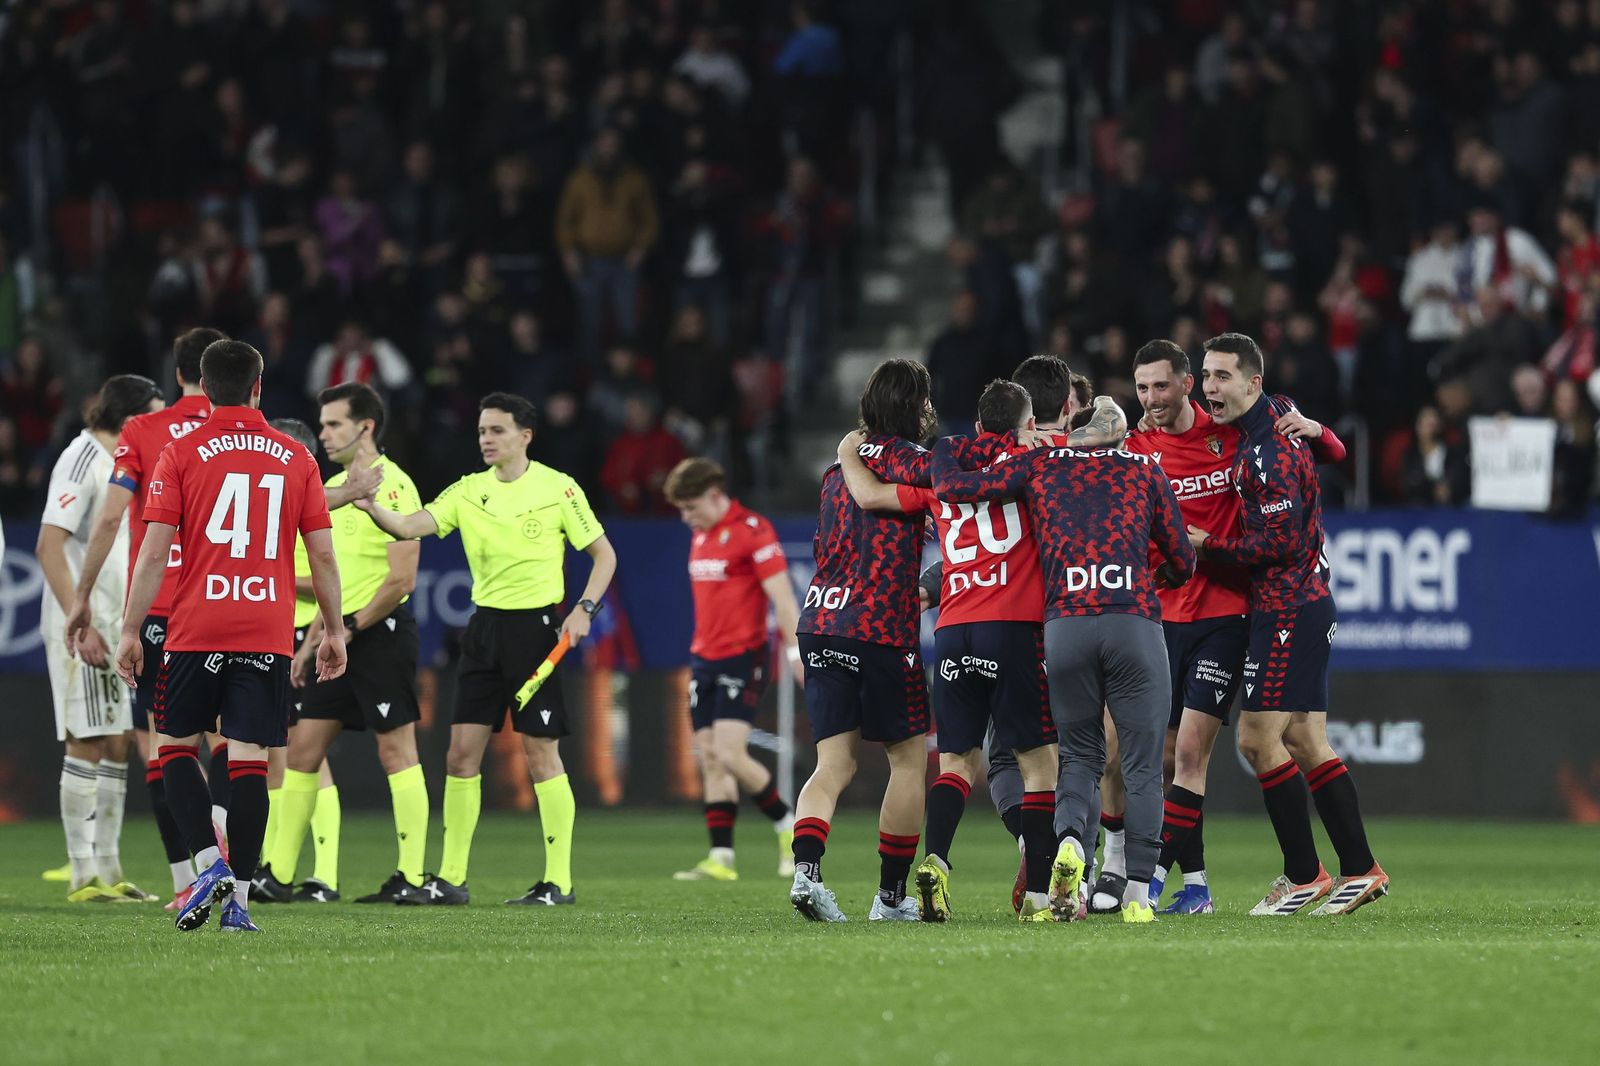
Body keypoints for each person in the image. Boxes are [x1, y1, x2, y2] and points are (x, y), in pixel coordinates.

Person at [932, 387, 1195, 925]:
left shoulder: (1043, 464)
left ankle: (1071, 842)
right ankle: (1139, 894)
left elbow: (956, 488)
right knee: (1143, 765)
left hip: (1065, 625)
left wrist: (942, 448)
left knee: (1078, 756)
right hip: (1132, 620)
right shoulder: (1145, 469)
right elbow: (1184, 559)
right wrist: (1158, 575)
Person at [112, 339, 349, 933]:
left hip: (197, 627)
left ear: (200, 383)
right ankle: (238, 901)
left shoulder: (180, 451)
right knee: (248, 760)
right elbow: (321, 555)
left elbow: (154, 551)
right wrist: (334, 631)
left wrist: (129, 629)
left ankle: (205, 864)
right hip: (266, 630)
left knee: (172, 744)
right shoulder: (296, 457)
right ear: (258, 386)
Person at [356, 392, 617, 906]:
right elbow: (413, 526)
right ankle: (450, 880)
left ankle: (558, 882)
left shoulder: (558, 488)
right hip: (482, 633)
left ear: (525, 436)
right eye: (481, 431)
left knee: (541, 754)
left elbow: (603, 556)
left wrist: (583, 610)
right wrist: (370, 506)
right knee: (459, 756)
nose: (486, 440)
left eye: (496, 430)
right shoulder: (467, 490)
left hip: (537, 633)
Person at [1121, 339, 1345, 915]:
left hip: (1226, 613)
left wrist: (1320, 432)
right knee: (1170, 757)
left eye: (1161, 387)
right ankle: (1196, 884)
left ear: (1188, 384)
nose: (1150, 400)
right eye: (1142, 389)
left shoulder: (1239, 433)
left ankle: (1144, 882)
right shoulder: (1136, 446)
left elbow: (1322, 459)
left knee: (1200, 750)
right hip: (1163, 617)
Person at [835, 380, 1059, 923]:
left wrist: (846, 451)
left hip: (954, 629)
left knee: (957, 762)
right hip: (1013, 627)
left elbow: (871, 496)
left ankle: (935, 860)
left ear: (979, 426)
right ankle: (1037, 899)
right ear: (1027, 425)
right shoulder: (1037, 470)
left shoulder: (944, 476)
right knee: (1039, 765)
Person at [1190, 332, 1388, 916]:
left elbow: (1276, 543)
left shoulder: (1266, 452)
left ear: (1253, 383)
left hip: (1288, 608)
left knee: (1256, 739)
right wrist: (1322, 431)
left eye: (1222, 377)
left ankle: (1304, 875)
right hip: (1301, 603)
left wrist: (1207, 546)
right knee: (1304, 738)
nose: (1210, 388)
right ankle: (1361, 869)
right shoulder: (1278, 416)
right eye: (1206, 376)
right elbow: (1335, 454)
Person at [64, 327, 228, 910]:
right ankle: (233, 869)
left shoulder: (142, 430)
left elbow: (110, 521)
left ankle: (189, 877)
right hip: (229, 603)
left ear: (178, 373)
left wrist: (82, 595)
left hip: (161, 609)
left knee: (163, 745)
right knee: (231, 743)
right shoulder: (242, 434)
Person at [256, 383, 430, 905]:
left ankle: (412, 877)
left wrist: (349, 627)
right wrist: (315, 642)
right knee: (302, 749)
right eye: (324, 423)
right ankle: (277, 874)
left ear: (366, 426)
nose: (324, 433)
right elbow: (334, 577)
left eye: (333, 424)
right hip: (340, 637)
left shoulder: (395, 487)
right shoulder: (332, 487)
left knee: (395, 749)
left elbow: (402, 581)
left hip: (379, 636)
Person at [788, 359, 937, 923]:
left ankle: (806, 872)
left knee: (833, 763)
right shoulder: (920, 466)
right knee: (906, 762)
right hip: (879, 627)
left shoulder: (834, 471)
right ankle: (892, 898)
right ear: (917, 408)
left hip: (821, 622)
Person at [36, 374, 165, 902]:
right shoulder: (82, 457)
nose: (160, 423)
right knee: (86, 738)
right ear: (130, 416)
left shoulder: (124, 462)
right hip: (81, 622)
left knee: (116, 741)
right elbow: (49, 545)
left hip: (113, 619)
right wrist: (79, 619)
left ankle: (109, 869)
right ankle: (81, 870)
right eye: (153, 413)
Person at [663, 457, 802, 882]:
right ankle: (721, 858)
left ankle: (789, 827)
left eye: (691, 508)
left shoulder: (753, 532)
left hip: (743, 656)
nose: (687, 518)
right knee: (710, 757)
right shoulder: (701, 537)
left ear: (715, 495)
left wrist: (795, 654)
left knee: (728, 752)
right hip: (703, 657)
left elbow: (782, 598)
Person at [259, 417, 341, 903]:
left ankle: (323, 874)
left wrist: (278, 576)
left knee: (304, 756)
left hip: (300, 636)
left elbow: (335, 574)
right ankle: (275, 863)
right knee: (277, 754)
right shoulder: (271, 493)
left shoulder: (307, 496)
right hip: (274, 633)